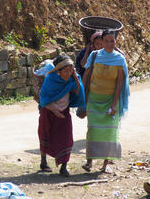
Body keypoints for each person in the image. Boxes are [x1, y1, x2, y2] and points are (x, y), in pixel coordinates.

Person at [81, 29, 130, 174]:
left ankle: (106, 164)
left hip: (110, 100)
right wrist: (81, 97)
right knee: (93, 129)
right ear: (101, 42)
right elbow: (86, 75)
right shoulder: (94, 55)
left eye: (112, 41)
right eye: (106, 41)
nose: (109, 44)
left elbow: (120, 83)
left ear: (116, 42)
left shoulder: (120, 59)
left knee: (109, 131)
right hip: (93, 99)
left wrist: (114, 104)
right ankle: (89, 162)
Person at [38, 55, 86, 177]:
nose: (68, 74)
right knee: (45, 136)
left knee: (66, 139)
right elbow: (43, 100)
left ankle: (64, 167)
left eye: (71, 70)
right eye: (66, 71)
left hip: (64, 113)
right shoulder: (50, 79)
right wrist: (54, 111)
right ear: (58, 71)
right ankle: (43, 162)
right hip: (49, 112)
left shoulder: (72, 79)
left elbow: (79, 91)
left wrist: (75, 77)